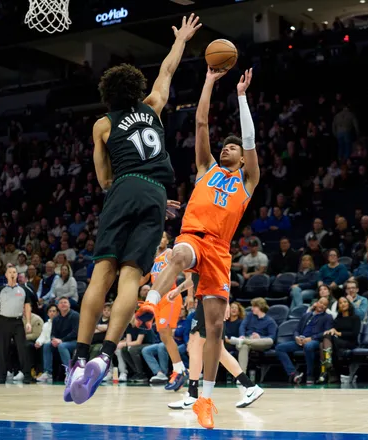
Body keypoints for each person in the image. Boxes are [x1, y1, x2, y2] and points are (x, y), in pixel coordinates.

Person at [65, 14, 201, 406]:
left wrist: (123, 185)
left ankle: (78, 357)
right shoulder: (154, 106)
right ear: (137, 89)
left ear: (108, 94)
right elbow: (168, 69)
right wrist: (181, 40)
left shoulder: (102, 125)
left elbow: (104, 179)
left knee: (102, 274)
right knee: (130, 279)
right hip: (158, 194)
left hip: (125, 188)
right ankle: (106, 355)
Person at [139, 67, 259, 429]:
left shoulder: (248, 180)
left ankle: (205, 398)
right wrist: (208, 79)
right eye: (227, 145)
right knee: (177, 254)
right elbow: (202, 124)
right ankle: (151, 303)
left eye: (233, 147)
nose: (228, 148)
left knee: (213, 331)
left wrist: (241, 96)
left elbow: (251, 140)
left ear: (242, 157)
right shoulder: (206, 167)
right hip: (194, 236)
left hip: (220, 252)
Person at [167, 298, 264, 411]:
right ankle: (250, 386)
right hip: (209, 302)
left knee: (196, 346)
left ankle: (192, 394)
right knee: (218, 351)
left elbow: (224, 280)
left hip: (210, 302)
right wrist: (180, 289)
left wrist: (226, 301)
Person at [143, 232, 192, 391]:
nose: (160, 240)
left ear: (167, 240)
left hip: (170, 296)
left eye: (163, 237)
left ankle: (179, 370)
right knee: (163, 335)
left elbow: (189, 273)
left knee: (164, 333)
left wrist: (189, 296)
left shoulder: (171, 253)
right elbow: (143, 280)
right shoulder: (152, 258)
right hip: (157, 299)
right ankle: (179, 370)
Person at [0, 265, 32, 384]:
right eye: (10, 272)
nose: (12, 274)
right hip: (4, 321)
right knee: (3, 350)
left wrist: (28, 322)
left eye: (14, 272)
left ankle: (27, 375)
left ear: (17, 275)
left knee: (22, 349)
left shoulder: (23, 290)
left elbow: (27, 307)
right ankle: (1, 376)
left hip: (18, 321)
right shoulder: (0, 289)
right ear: (6, 275)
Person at [275, 297, 333, 384]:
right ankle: (293, 373)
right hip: (300, 340)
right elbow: (297, 330)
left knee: (308, 346)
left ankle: (310, 375)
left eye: (325, 304)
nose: (322, 305)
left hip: (315, 341)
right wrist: (296, 337)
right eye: (321, 302)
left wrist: (311, 338)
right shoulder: (306, 315)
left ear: (326, 307)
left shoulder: (327, 317)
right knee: (279, 348)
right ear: (316, 303)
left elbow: (326, 332)